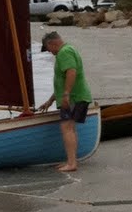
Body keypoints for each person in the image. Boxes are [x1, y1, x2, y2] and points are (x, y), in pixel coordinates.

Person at [38, 29, 93, 172]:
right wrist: (50, 100)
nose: (49, 52)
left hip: (74, 97)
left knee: (66, 128)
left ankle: (72, 163)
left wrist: (66, 95)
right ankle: (71, 161)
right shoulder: (68, 50)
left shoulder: (64, 52)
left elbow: (71, 72)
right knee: (70, 128)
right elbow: (61, 81)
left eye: (48, 49)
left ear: (53, 43)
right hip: (76, 96)